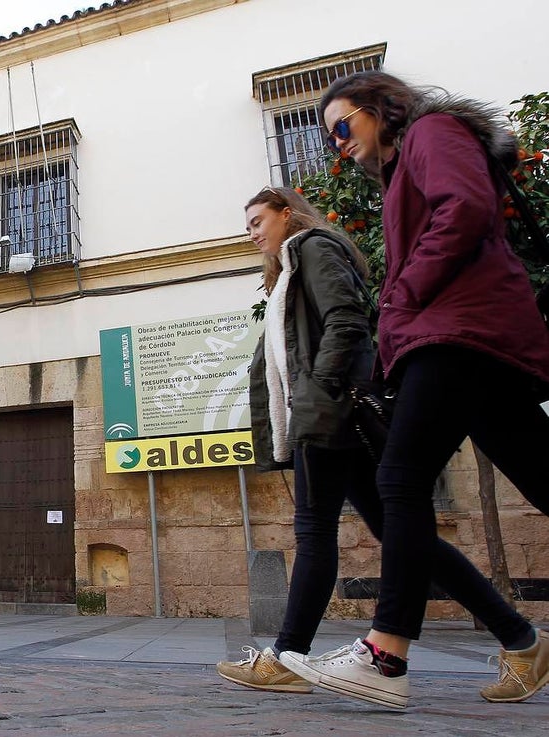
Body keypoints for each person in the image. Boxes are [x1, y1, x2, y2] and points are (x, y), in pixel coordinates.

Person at [279, 71, 549, 709]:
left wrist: (403, 297)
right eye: (331, 136)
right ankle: (523, 647)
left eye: (343, 126)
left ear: (382, 108)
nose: (338, 143)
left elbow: (466, 209)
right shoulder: (406, 167)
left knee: (400, 482)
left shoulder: (433, 130)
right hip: (467, 335)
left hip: (459, 332)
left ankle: (385, 653)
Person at [216, 186, 543, 707]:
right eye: (247, 224)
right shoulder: (284, 273)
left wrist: (319, 394)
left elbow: (347, 320)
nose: (251, 231)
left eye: (258, 220)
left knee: (317, 530)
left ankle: (286, 657)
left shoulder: (312, 248)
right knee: (400, 534)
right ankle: (521, 640)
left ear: (286, 214)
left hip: (329, 412)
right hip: (324, 413)